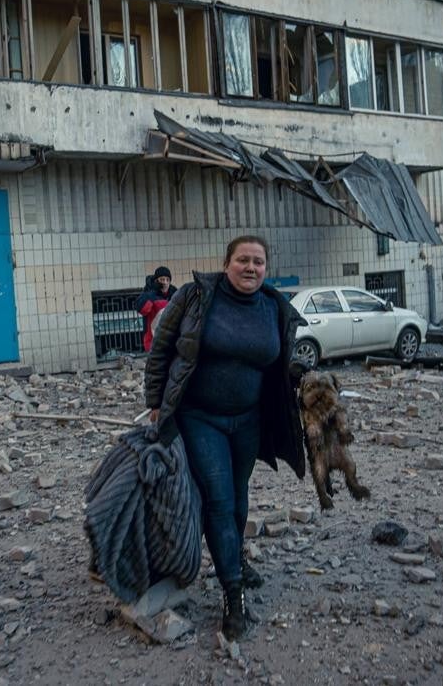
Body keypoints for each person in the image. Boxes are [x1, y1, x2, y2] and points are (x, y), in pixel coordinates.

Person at [143, 236, 307, 641]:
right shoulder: (197, 296)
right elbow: (162, 348)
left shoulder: (273, 307)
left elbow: (277, 360)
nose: (250, 268)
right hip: (201, 417)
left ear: (266, 268)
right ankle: (233, 594)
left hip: (249, 420)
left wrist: (302, 374)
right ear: (226, 263)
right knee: (218, 499)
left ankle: (231, 559)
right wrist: (155, 402)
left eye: (258, 262)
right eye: (242, 260)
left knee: (238, 495)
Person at [134, 266, 176, 352]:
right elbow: (142, 309)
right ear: (156, 281)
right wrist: (153, 293)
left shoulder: (175, 294)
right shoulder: (148, 294)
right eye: (162, 279)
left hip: (171, 341)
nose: (165, 282)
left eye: (167, 280)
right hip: (153, 342)